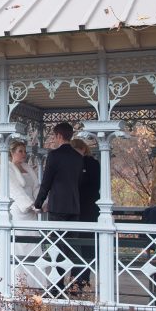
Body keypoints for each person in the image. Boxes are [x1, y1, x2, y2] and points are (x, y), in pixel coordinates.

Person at [33, 122, 84, 296]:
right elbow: (78, 183)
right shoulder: (78, 157)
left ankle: (56, 287)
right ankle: (72, 285)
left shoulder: (54, 156)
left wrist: (38, 203)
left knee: (57, 247)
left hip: (57, 208)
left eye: (54, 137)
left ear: (59, 136)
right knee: (71, 247)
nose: (54, 140)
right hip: (74, 207)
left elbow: (46, 182)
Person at [71, 138, 100, 289]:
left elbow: (92, 185)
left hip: (87, 210)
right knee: (76, 246)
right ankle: (76, 280)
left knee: (86, 246)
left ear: (83, 149)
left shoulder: (91, 164)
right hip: (77, 209)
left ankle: (81, 280)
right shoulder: (76, 163)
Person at [8, 140, 40, 261]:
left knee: (33, 240)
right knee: (20, 241)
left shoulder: (28, 167)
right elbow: (15, 189)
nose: (23, 154)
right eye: (20, 151)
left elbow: (36, 187)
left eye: (24, 151)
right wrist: (30, 205)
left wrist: (41, 203)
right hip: (19, 210)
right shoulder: (8, 168)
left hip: (32, 212)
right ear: (12, 152)